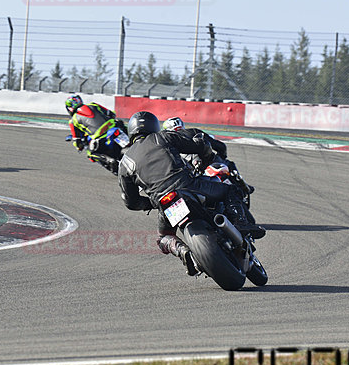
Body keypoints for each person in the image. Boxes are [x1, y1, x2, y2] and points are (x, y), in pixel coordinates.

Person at [118, 111, 232, 275]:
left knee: (163, 237)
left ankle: (181, 251)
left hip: (165, 202)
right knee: (230, 190)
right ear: (154, 126)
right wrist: (208, 157)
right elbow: (198, 146)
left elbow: (131, 202)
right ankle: (241, 221)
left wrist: (152, 202)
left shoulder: (124, 163)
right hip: (189, 186)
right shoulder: (162, 137)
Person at [161, 116, 255, 196]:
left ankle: (241, 186)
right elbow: (220, 146)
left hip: (184, 176)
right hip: (202, 167)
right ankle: (242, 186)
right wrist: (222, 156)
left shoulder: (165, 142)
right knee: (228, 164)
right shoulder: (193, 131)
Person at [66, 94, 126, 175]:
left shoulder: (73, 121)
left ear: (69, 108)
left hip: (100, 137)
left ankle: (109, 161)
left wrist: (79, 146)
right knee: (123, 125)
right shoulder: (93, 105)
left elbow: (77, 139)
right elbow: (110, 113)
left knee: (91, 153)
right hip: (114, 127)